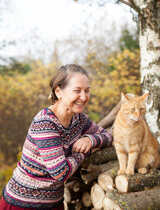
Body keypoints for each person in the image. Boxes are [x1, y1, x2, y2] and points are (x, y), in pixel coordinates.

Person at [0, 64, 112, 210]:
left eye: (87, 91)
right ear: (58, 91)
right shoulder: (45, 122)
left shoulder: (79, 119)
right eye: (77, 91)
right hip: (22, 204)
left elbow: (108, 136)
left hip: (55, 203)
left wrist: (90, 140)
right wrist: (86, 151)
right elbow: (61, 173)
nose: (84, 97)